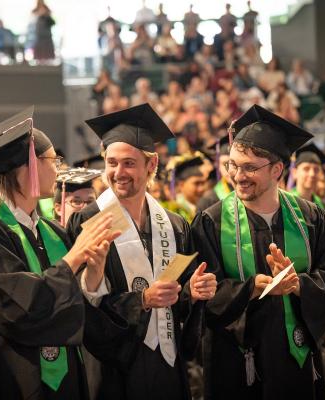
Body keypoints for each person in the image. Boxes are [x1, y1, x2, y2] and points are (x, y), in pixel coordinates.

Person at [191, 104, 325, 399]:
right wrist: (248, 289)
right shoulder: (211, 222)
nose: (238, 175)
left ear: (277, 169)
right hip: (235, 362)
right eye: (234, 165)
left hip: (296, 355)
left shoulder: (311, 217)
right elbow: (202, 293)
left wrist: (300, 285)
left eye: (250, 167)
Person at [0, 107, 118, 399]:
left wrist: (93, 274)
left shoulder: (53, 233)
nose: (57, 169)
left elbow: (77, 308)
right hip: (13, 380)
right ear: (29, 164)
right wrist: (72, 260)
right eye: (52, 160)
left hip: (66, 380)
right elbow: (12, 309)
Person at [68, 103, 217, 400]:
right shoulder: (88, 221)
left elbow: (180, 300)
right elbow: (81, 306)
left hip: (166, 360)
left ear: (152, 165)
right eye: (111, 163)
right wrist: (142, 300)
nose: (118, 172)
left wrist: (193, 291)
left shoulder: (175, 226)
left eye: (128, 163)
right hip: (114, 365)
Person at [196, 136, 232, 213]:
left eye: (234, 163)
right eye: (225, 164)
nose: (230, 169)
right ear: (218, 165)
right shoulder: (208, 202)